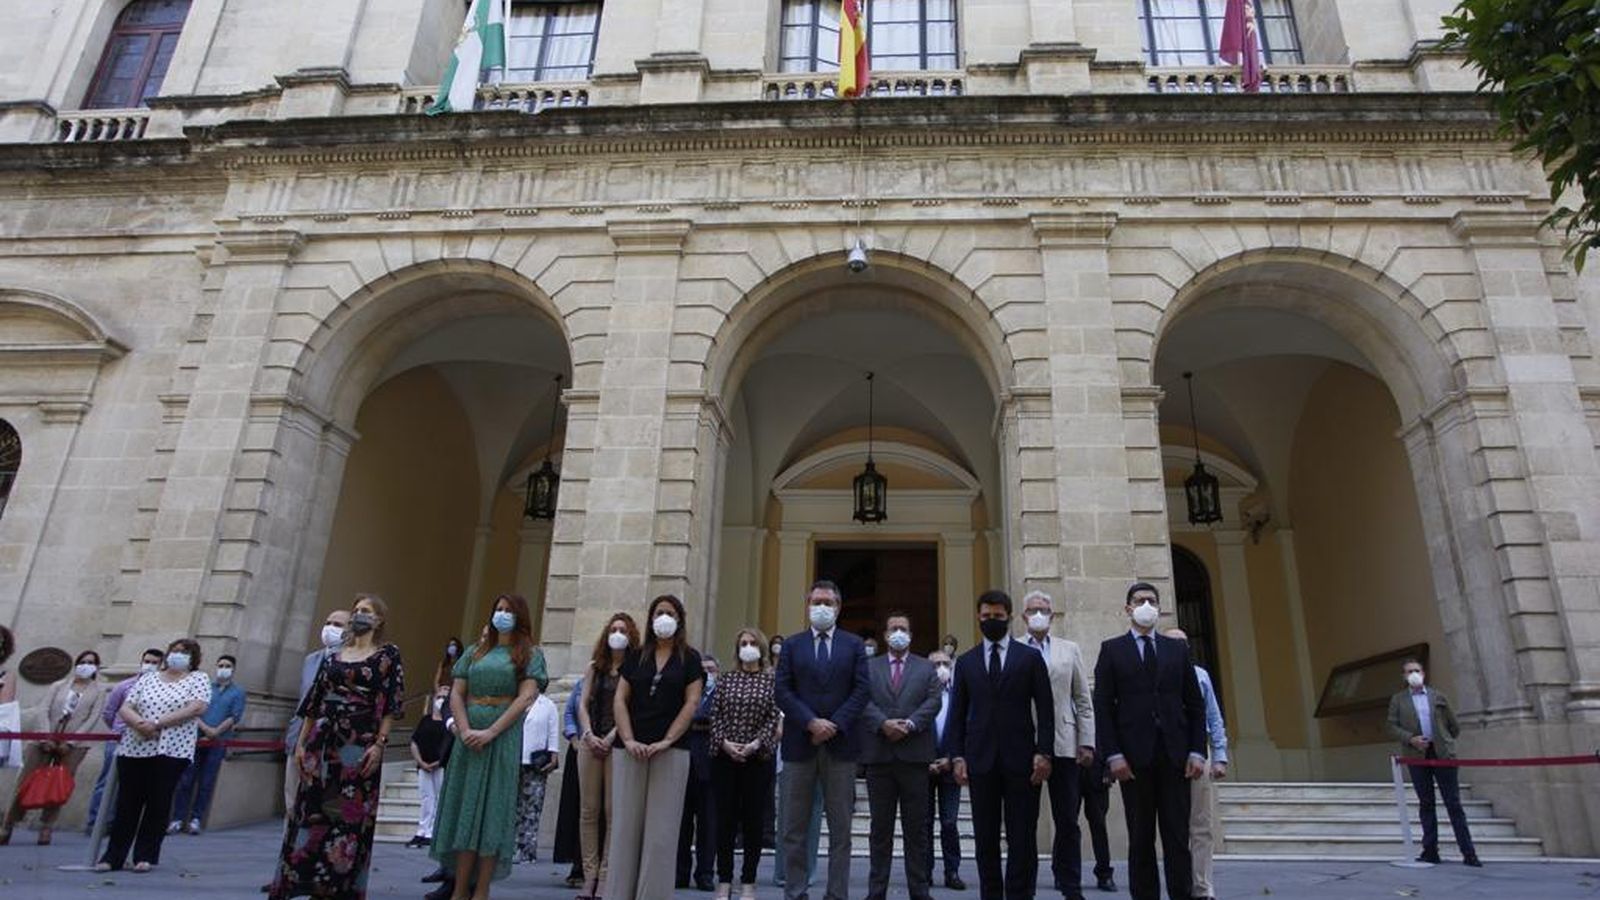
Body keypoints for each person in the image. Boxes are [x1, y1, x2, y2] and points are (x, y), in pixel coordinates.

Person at [269, 594, 404, 898]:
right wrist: (302, 744)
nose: (359, 615)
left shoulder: (387, 656)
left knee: (348, 818)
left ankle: (335, 887)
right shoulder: (332, 657)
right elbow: (313, 704)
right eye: (356, 610)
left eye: (366, 611)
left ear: (379, 619)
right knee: (310, 814)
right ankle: (306, 881)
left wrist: (380, 744)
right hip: (320, 745)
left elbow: (390, 704)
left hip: (358, 745)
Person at [1092, 583, 1205, 900]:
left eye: (1152, 601)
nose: (1146, 605)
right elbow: (1103, 707)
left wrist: (1198, 750)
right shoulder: (1112, 650)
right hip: (1133, 758)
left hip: (1176, 757)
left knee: (1177, 838)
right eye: (1140, 601)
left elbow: (1194, 705)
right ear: (1128, 609)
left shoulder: (1175, 650)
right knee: (1140, 838)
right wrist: (1112, 755)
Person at [431, 593, 548, 897]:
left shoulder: (530, 655)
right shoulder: (475, 651)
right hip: (468, 738)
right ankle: (458, 889)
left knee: (492, 812)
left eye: (508, 610)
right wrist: (465, 728)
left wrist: (491, 732)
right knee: (465, 809)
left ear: (520, 617)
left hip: (501, 738)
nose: (502, 614)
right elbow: (457, 693)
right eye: (498, 609)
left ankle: (481, 890)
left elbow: (525, 698)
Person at [948, 590, 1054, 900]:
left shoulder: (1029, 658)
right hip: (981, 761)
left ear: (1008, 616)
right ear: (978, 618)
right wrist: (957, 756)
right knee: (985, 838)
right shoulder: (966, 662)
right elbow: (957, 714)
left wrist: (1044, 752)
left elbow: (1045, 711)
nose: (991, 621)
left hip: (1023, 761)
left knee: (1022, 837)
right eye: (986, 617)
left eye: (997, 616)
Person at [773, 579, 869, 900]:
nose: (822, 608)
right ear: (808, 605)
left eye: (828, 602)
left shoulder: (854, 645)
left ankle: (836, 893)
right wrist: (811, 722)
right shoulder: (792, 645)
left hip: (841, 747)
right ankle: (796, 891)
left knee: (841, 829)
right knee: (794, 827)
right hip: (800, 745)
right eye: (817, 602)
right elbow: (782, 691)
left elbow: (861, 690)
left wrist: (834, 724)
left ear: (838, 607)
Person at [606, 594, 706, 900]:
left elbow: (692, 702)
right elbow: (621, 699)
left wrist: (667, 740)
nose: (664, 617)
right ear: (651, 619)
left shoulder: (690, 658)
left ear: (680, 620)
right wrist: (629, 738)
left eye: (670, 613)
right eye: (659, 612)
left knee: (661, 834)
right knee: (624, 829)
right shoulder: (636, 656)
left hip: (672, 751)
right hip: (630, 749)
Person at [98, 638, 211, 873]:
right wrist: (140, 723)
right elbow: (125, 706)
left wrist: (157, 723)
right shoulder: (147, 679)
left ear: (193, 658)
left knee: (158, 802)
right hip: (135, 746)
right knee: (127, 802)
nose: (178, 655)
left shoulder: (198, 679)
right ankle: (113, 856)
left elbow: (197, 708)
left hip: (172, 749)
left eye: (184, 652)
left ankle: (145, 855)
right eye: (175, 651)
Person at [860, 613, 942, 900]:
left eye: (903, 629)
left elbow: (934, 700)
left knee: (916, 830)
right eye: (893, 628)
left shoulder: (925, 667)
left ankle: (919, 890)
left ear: (910, 634)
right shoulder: (869, 667)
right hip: (879, 757)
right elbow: (862, 699)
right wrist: (883, 724)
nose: (898, 632)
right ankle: (876, 891)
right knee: (879, 831)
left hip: (915, 758)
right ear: (885, 634)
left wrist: (909, 724)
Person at [1022, 590, 1096, 900]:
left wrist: (1088, 741)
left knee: (1067, 819)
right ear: (1024, 616)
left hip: (1065, 743)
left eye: (1044, 610)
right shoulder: (1013, 649)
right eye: (1033, 609)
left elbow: (1082, 698)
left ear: (1052, 616)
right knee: (1024, 820)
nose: (1039, 614)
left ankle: (1070, 885)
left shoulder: (1070, 649)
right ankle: (1023, 886)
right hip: (1026, 743)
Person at [1, 649, 108, 845]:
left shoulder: (98, 691)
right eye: (83, 661)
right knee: (26, 780)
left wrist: (71, 742)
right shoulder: (58, 686)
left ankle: (47, 826)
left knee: (60, 785)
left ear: (96, 667)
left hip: (74, 743)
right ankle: (9, 823)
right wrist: (46, 735)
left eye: (91, 662)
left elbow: (92, 718)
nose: (86, 665)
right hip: (44, 738)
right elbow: (44, 709)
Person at [1386, 658, 1479, 867]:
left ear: (1424, 673)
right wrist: (1411, 739)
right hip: (1417, 756)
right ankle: (1430, 850)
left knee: (1453, 803)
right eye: (1409, 672)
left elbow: (1453, 725)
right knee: (1426, 803)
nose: (1414, 674)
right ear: (1404, 676)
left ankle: (1469, 852)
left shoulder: (1438, 696)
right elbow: (1391, 726)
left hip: (1443, 755)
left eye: (1417, 670)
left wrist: (1444, 741)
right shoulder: (1398, 700)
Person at [710, 627, 780, 900]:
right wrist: (725, 743)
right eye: (743, 643)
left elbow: (773, 717)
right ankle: (724, 879)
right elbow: (715, 714)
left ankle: (748, 880)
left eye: (752, 643)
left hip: (757, 759)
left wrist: (754, 745)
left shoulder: (771, 681)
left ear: (761, 648)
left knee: (753, 822)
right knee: (725, 821)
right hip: (725, 758)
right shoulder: (726, 679)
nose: (747, 647)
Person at [1162, 629, 1228, 900]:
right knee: (1173, 826)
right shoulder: (1157, 675)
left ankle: (1203, 886)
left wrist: (1220, 755)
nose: (1178, 648)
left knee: (1201, 824)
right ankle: (1179, 884)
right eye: (1172, 644)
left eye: (1182, 644)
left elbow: (1213, 716)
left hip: (1200, 753)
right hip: (1168, 755)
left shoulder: (1201, 675)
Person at [577, 613, 639, 899]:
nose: (617, 634)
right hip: (591, 742)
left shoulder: (634, 668)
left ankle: (605, 877)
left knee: (613, 812)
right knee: (589, 811)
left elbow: (630, 706)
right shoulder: (595, 667)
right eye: (614, 629)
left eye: (623, 630)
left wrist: (613, 736)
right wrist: (588, 734)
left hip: (616, 744)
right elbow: (582, 703)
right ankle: (589, 876)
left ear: (631, 636)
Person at [87, 648, 165, 833]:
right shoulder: (124, 686)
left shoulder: (161, 689)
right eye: (147, 661)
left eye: (154, 663)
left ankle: (116, 822)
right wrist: (119, 729)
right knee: (106, 781)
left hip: (144, 741)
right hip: (119, 739)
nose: (149, 665)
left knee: (131, 784)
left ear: (161, 665)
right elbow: (109, 712)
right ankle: (95, 822)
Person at [169, 652, 246, 836]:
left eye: (227, 666)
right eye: (221, 665)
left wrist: (215, 733)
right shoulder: (206, 687)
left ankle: (196, 818)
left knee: (207, 782)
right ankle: (177, 818)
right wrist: (204, 729)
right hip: (195, 739)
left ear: (233, 669)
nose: (223, 669)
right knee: (186, 780)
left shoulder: (238, 692)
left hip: (218, 741)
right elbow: (193, 710)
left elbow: (234, 716)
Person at [282, 608, 349, 814]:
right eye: (328, 622)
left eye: (338, 625)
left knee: (321, 802)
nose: (330, 628)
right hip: (299, 737)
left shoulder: (352, 662)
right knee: (292, 797)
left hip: (330, 739)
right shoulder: (311, 659)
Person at [924, 649, 966, 891]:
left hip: (951, 766)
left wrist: (951, 759)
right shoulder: (921, 695)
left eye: (945, 663)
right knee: (924, 822)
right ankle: (925, 872)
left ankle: (952, 871)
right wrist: (926, 761)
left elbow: (965, 728)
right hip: (924, 767)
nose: (941, 667)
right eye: (936, 664)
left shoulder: (960, 695)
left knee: (949, 822)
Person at [678, 653, 719, 890]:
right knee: (682, 823)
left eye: (711, 669)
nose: (707, 674)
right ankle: (680, 872)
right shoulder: (687, 692)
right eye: (703, 670)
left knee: (708, 824)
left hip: (711, 765)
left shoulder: (721, 693)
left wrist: (695, 720)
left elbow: (716, 720)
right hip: (684, 761)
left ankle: (705, 873)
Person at [515, 685, 562, 864]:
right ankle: (512, 848)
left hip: (536, 762)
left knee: (532, 807)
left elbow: (553, 731)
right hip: (515, 760)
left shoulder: (547, 705)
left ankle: (528, 850)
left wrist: (554, 753)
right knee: (515, 807)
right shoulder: (516, 701)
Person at [409, 684, 454, 848]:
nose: (441, 700)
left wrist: (437, 762)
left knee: (438, 797)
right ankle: (422, 830)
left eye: (445, 697)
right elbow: (414, 742)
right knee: (426, 798)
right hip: (423, 765)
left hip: (440, 766)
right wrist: (421, 762)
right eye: (439, 696)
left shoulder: (450, 724)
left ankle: (433, 831)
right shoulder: (426, 720)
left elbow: (450, 745)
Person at [553, 676, 586, 887]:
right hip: (578, 748)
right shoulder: (581, 684)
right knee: (575, 807)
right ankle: (576, 863)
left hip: (604, 750)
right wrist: (574, 739)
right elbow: (569, 713)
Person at [1078, 756, 1116, 893]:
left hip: (1098, 771)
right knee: (1067, 824)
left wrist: (1108, 769)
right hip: (1071, 769)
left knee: (1099, 825)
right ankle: (1063, 871)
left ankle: (1104, 873)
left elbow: (1108, 736)